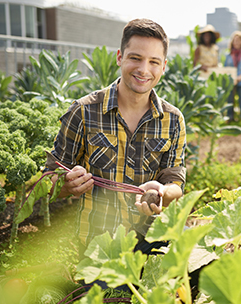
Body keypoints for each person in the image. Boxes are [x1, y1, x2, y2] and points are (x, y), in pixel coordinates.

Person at [45, 18, 186, 257]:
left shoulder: (172, 119)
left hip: (154, 239)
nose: (144, 69)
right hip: (99, 244)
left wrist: (162, 192)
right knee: (113, 295)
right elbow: (49, 178)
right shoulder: (83, 111)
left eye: (153, 62)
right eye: (135, 58)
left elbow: (176, 183)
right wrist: (66, 185)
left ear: (163, 67)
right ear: (120, 57)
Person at [224, 31, 241, 122]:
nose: (237, 42)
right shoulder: (228, 55)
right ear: (232, 42)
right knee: (230, 102)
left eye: (239, 40)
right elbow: (226, 68)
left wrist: (239, 77)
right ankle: (229, 118)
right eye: (235, 40)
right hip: (231, 82)